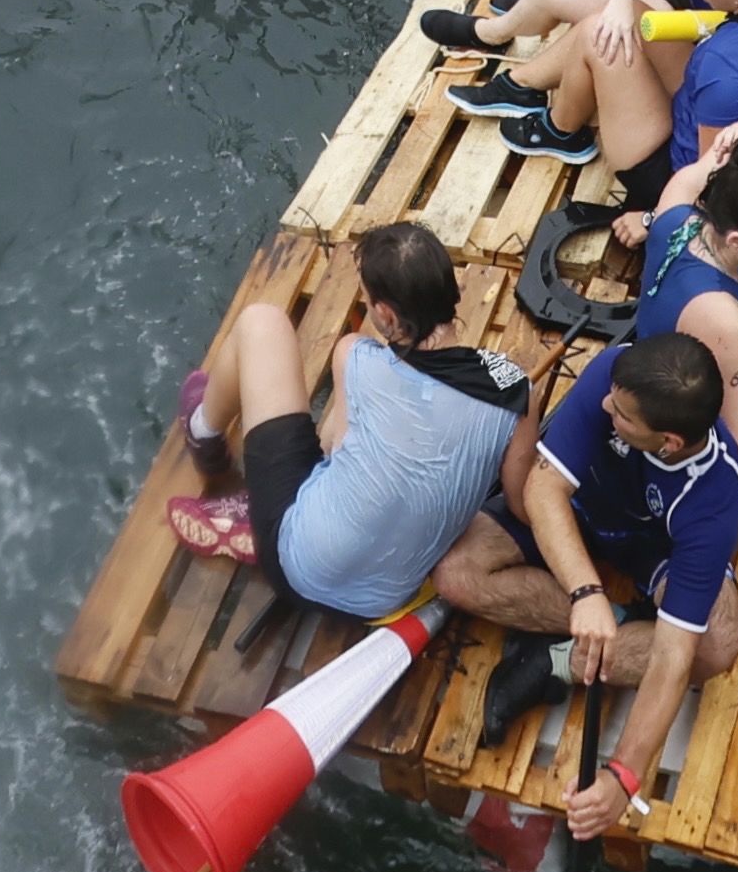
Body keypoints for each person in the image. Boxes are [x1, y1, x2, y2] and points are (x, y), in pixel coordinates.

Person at [431, 333, 738, 817]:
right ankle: (616, 619)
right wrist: (586, 593)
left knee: (716, 643)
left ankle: (558, 661)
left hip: (649, 548)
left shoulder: (714, 502)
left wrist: (624, 775)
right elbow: (542, 490)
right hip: (575, 509)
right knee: (457, 573)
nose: (605, 406)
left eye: (621, 416)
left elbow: (672, 657)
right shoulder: (619, 371)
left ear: (669, 442)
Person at [178, 218, 527, 616]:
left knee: (261, 322)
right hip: (383, 602)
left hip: (296, 567)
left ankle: (203, 432)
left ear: (386, 315)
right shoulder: (513, 388)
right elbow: (518, 504)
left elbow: (335, 444)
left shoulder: (357, 359)